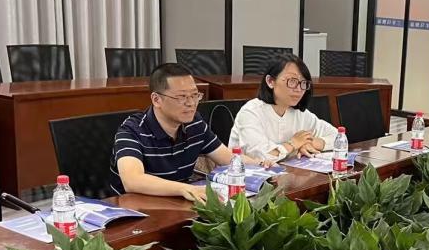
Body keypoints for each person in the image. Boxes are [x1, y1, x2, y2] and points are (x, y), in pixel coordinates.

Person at [110, 63, 270, 201]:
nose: (191, 103)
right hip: (137, 210)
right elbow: (132, 180)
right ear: (156, 99)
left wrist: (261, 164)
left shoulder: (195, 123)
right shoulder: (132, 130)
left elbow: (228, 158)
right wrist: (186, 189)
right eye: (181, 97)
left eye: (194, 95)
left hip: (177, 203)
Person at [229, 55, 338, 161]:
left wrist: (310, 143)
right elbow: (260, 156)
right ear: (270, 81)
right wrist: (293, 144)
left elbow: (339, 137)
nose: (299, 89)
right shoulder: (250, 112)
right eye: (292, 81)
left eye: (303, 83)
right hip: (246, 172)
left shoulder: (300, 114)